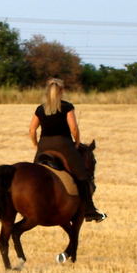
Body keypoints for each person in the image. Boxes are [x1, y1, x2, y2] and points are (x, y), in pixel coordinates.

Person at [29, 78, 106, 222]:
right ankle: (89, 210)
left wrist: (36, 144)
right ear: (62, 91)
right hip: (63, 144)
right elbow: (74, 129)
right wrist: (76, 143)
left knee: (34, 175)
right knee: (82, 175)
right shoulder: (67, 107)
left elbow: (32, 129)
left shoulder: (40, 109)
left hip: (44, 145)